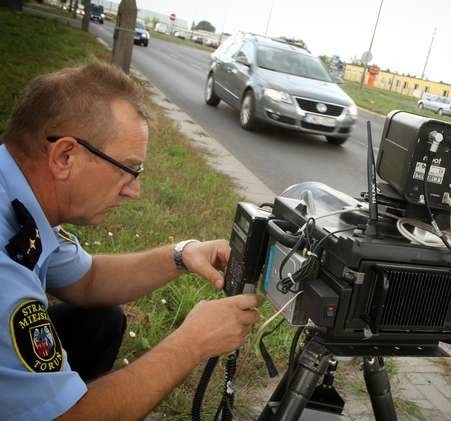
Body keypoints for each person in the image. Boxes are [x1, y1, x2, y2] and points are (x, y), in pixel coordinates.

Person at [0, 61, 262, 420]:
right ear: (65, 156)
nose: (135, 191)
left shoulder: (17, 199)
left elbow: (87, 280)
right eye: (128, 169)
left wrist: (183, 254)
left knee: (99, 321)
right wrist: (193, 341)